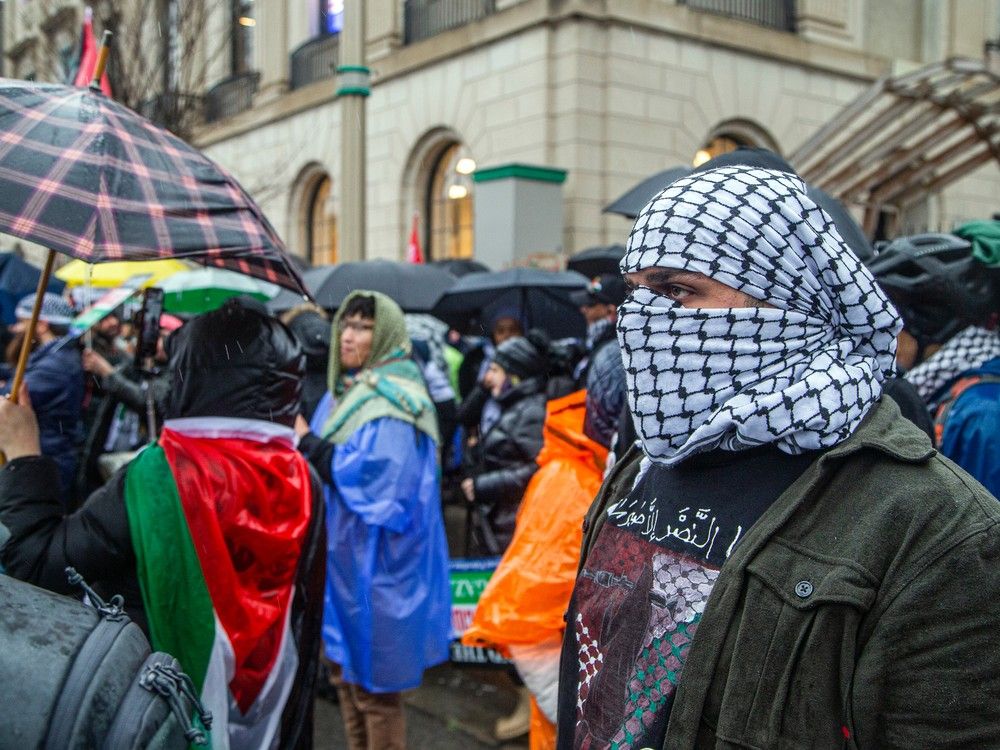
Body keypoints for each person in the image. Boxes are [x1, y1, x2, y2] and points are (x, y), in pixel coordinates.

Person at [557, 166, 1000, 749]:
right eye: (634, 290)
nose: (638, 316)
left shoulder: (934, 527)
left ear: (786, 299)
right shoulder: (648, 459)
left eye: (675, 290)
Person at [0, 297, 325, 749]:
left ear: (192, 375)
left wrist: (23, 454)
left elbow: (36, 566)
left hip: (159, 719)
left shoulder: (161, 476)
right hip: (274, 725)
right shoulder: (303, 478)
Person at [295, 290, 451, 750]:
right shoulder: (353, 391)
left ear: (386, 335)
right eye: (346, 324)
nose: (348, 336)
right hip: (346, 565)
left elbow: (383, 488)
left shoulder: (395, 402)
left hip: (380, 570)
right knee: (345, 678)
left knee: (376, 693)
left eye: (364, 327)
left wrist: (308, 443)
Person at [463, 388, 608, 749]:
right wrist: (569, 708)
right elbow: (535, 597)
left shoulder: (568, 470)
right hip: (553, 652)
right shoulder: (575, 483)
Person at [460, 330, 550, 555]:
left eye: (495, 370)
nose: (488, 378)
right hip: (503, 522)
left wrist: (483, 486)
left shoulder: (532, 412)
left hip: (513, 525)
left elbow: (539, 468)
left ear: (514, 375)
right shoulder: (515, 407)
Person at [1, 292, 83, 499]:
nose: (16, 329)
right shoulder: (54, 354)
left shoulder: (55, 365)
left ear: (42, 325)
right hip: (48, 456)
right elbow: (22, 371)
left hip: (46, 462)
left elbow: (12, 398)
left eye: (22, 322)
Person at [570, 273, 627, 384]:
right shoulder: (596, 340)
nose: (583, 309)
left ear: (610, 311)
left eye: (590, 304)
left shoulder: (615, 350)